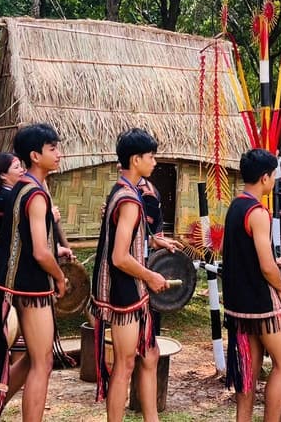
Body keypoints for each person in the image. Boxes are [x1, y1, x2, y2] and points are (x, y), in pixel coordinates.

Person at [89, 129, 180, 422]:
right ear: (136, 159)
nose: (154, 161)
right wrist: (151, 276)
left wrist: (155, 241)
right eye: (151, 156)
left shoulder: (123, 191)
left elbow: (127, 239)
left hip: (129, 286)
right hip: (124, 288)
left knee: (148, 354)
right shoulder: (129, 199)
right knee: (125, 365)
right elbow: (119, 256)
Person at [0, 124, 71, 422]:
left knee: (34, 357)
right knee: (43, 362)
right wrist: (59, 277)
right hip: (30, 286)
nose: (59, 154)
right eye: (52, 149)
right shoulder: (35, 193)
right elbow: (40, 252)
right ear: (35, 155)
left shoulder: (24, 187)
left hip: (16, 282)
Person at [221, 148, 281, 422]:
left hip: (238, 305)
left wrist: (276, 260)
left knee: (247, 374)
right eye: (273, 175)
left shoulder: (235, 206)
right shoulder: (258, 212)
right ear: (265, 177)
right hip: (262, 305)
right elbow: (265, 266)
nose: (274, 179)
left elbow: (242, 254)